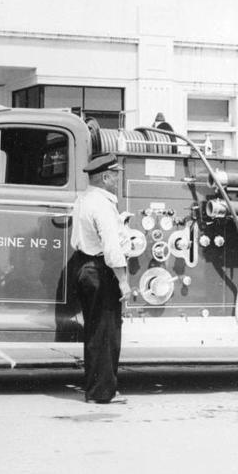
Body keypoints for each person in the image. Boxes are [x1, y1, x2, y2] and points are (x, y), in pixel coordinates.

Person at [69, 154, 131, 404]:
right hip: (101, 270)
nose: (118, 178)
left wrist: (120, 222)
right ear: (105, 177)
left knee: (96, 331)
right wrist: (124, 282)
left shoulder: (85, 199)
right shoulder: (103, 204)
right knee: (107, 333)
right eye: (115, 174)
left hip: (85, 266)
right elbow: (112, 249)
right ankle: (103, 393)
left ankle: (95, 387)